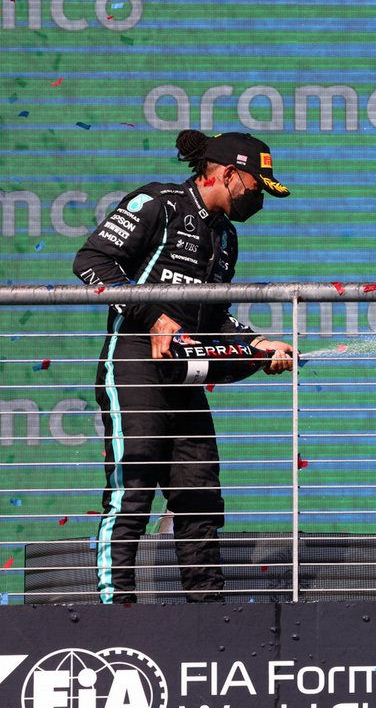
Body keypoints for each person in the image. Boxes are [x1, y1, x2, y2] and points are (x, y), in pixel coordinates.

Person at [73, 130, 294, 604]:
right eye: (256, 187)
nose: (259, 198)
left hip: (186, 375)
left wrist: (257, 344)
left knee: (200, 497)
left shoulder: (226, 237)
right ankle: (116, 614)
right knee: (132, 492)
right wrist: (153, 315)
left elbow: (214, 319)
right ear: (228, 174)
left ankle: (208, 616)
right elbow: (92, 261)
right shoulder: (160, 203)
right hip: (133, 361)